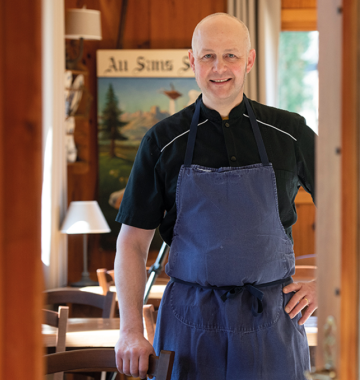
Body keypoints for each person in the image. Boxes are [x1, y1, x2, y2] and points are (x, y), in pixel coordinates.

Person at [113, 13, 317, 380]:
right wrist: (130, 329)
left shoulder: (289, 133)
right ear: (191, 61)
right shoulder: (162, 141)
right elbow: (131, 244)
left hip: (272, 324)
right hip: (189, 327)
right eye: (207, 56)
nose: (219, 68)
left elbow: (353, 205)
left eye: (231, 56)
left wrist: (331, 279)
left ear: (250, 60)